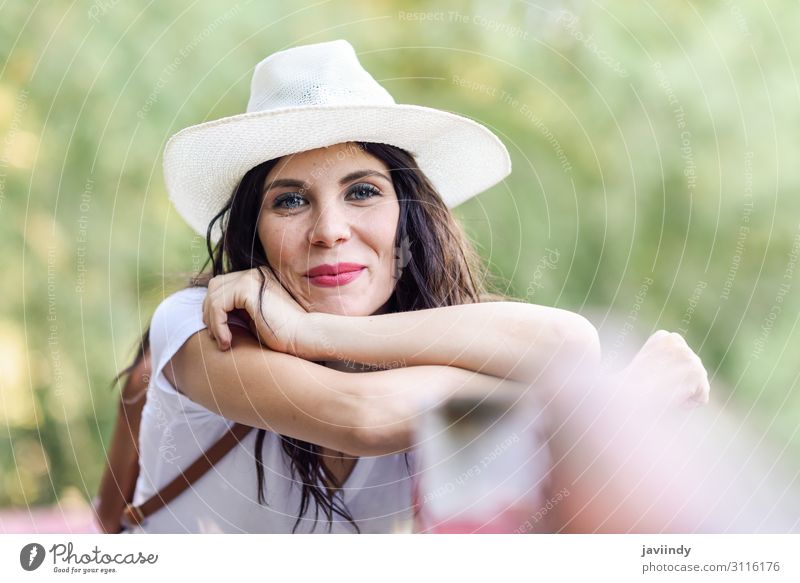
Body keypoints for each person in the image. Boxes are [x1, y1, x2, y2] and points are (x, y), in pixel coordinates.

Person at [111, 39, 708, 534]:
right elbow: (361, 415)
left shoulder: (446, 348)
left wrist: (311, 329)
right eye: (290, 200)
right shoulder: (194, 321)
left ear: (409, 215)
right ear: (254, 230)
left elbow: (568, 347)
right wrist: (606, 403)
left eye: (363, 191)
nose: (330, 231)